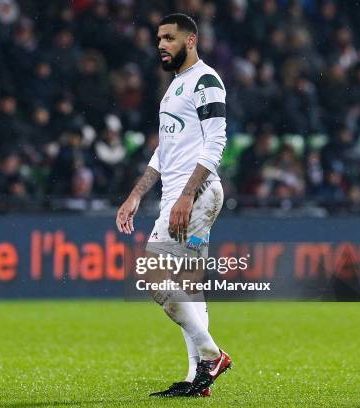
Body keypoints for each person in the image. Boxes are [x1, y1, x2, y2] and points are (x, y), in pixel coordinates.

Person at [115, 13, 231, 398]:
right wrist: (136, 194)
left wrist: (185, 195)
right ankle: (198, 378)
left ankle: (212, 355)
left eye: (169, 37)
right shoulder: (174, 88)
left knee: (152, 276)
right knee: (187, 287)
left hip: (195, 195)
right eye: (158, 39)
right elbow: (163, 153)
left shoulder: (205, 80)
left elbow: (216, 143)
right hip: (185, 196)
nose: (161, 44)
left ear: (191, 40)